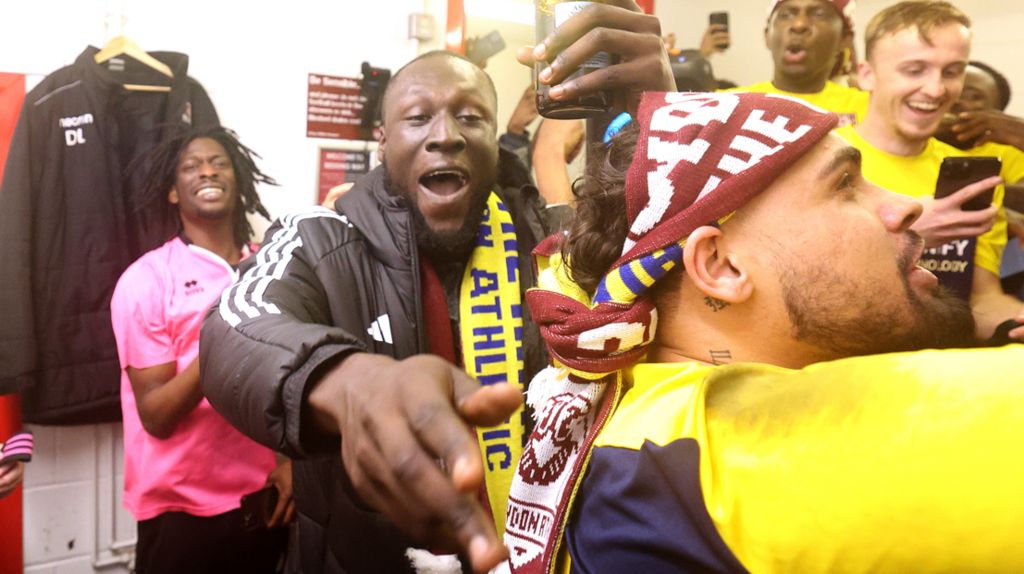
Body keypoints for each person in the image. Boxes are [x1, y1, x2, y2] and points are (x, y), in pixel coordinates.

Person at [198, 4, 675, 573]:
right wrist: (341, 381)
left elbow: (662, 274)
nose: (445, 136)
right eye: (418, 118)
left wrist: (658, 120)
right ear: (382, 142)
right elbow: (233, 324)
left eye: (471, 118)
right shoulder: (322, 238)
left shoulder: (548, 242)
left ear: (497, 142)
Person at [504, 90, 1024, 574]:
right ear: (722, 267)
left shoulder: (640, 410)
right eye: (845, 185)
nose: (908, 205)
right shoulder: (726, 455)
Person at [110, 126, 294, 574]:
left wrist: (294, 466)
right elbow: (156, 415)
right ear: (173, 192)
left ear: (238, 178)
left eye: (218, 162)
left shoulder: (272, 270)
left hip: (267, 502)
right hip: (182, 516)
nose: (207, 171)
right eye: (191, 167)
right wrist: (225, 336)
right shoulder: (147, 279)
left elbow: (291, 380)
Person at [835, 0, 1024, 341]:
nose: (936, 90)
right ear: (866, 75)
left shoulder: (976, 180)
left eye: (952, 71)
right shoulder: (820, 162)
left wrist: (1013, 322)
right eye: (914, 70)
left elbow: (980, 298)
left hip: (940, 373)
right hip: (843, 367)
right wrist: (906, 235)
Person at [729, 0, 868, 126]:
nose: (799, 24)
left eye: (819, 14)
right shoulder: (726, 104)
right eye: (786, 15)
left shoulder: (871, 109)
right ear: (767, 36)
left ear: (844, 39)